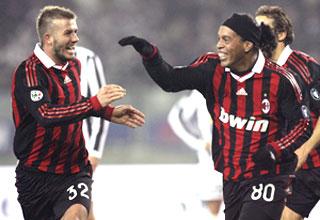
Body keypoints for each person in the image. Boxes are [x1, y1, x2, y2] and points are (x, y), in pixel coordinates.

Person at [119, 13, 312, 220]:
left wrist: (275, 150)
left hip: (269, 177)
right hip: (231, 177)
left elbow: (303, 125)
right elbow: (171, 80)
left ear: (247, 45)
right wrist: (151, 56)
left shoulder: (280, 79)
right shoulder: (212, 69)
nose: (219, 45)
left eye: (226, 40)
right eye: (219, 38)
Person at [11, 5, 145, 220]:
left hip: (74, 169)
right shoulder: (29, 72)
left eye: (76, 31)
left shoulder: (74, 66)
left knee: (76, 215)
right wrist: (95, 103)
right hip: (36, 175)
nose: (75, 38)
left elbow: (73, 103)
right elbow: (45, 114)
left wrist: (108, 113)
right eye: (68, 33)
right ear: (48, 38)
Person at [255, 5, 320, 220]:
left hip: (312, 163)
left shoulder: (305, 68)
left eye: (263, 29)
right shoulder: (261, 72)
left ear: (281, 34)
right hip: (288, 169)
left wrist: (304, 150)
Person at [167, 90, 223, 219]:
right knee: (214, 205)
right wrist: (200, 143)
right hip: (212, 162)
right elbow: (176, 116)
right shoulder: (199, 92)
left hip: (241, 157)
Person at [75, 46, 109, 220]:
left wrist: (95, 151)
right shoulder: (35, 64)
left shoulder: (86, 58)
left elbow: (102, 106)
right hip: (48, 150)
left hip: (80, 148)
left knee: (81, 202)